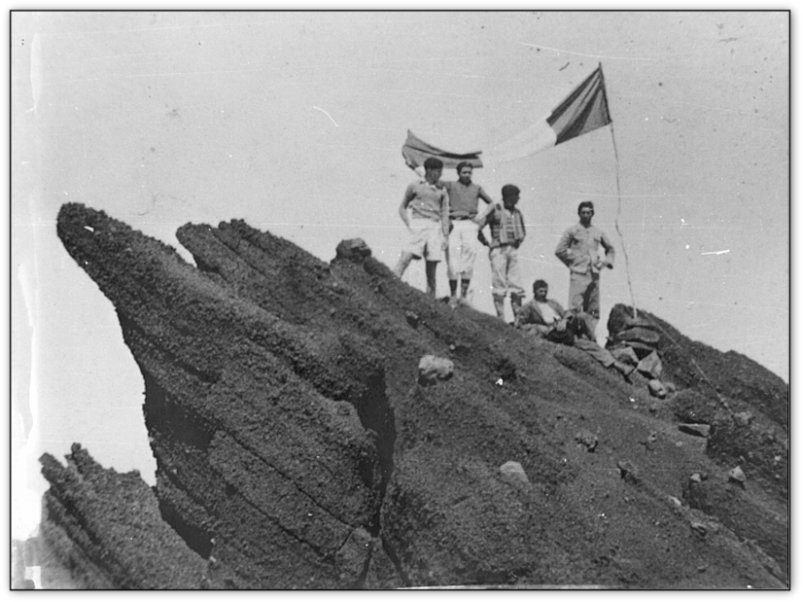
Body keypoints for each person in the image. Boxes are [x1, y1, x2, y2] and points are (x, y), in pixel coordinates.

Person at [517, 279, 633, 378]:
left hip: (564, 326)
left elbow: (566, 313)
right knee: (584, 344)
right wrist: (541, 328)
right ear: (535, 291)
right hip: (553, 332)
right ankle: (618, 365)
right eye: (541, 291)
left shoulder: (553, 303)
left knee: (582, 317)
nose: (544, 293)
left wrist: (564, 320)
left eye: (545, 290)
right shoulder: (529, 307)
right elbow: (520, 325)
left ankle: (592, 338)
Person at [554, 200, 615, 338]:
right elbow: (560, 250)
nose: (586, 215)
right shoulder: (572, 231)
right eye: (583, 212)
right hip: (579, 274)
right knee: (575, 307)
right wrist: (572, 263)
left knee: (593, 309)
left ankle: (589, 335)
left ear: (592, 214)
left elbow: (610, 249)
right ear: (579, 214)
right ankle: (573, 335)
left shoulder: (598, 232)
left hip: (594, 274)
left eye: (589, 212)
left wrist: (606, 262)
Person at [394, 157, 450, 298]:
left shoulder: (442, 190)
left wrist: (445, 236)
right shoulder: (415, 185)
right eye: (438, 171)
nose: (440, 174)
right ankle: (392, 284)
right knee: (406, 257)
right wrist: (410, 224)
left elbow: (444, 214)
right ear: (429, 170)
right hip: (418, 223)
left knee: (432, 266)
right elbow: (402, 208)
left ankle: (431, 300)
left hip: (435, 226)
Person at [442, 162, 495, 308]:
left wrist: (481, 217)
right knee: (452, 260)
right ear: (458, 173)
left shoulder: (476, 188)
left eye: (469, 172)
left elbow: (491, 203)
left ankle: (463, 296)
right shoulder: (451, 185)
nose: (467, 175)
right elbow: (435, 182)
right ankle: (453, 295)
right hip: (454, 223)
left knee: (469, 259)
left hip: (470, 225)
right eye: (464, 172)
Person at [477, 184, 526, 321]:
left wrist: (517, 243)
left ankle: (518, 319)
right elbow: (478, 226)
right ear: (509, 196)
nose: (518, 199)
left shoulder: (517, 213)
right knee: (499, 284)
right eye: (516, 196)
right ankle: (501, 319)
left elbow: (522, 232)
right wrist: (487, 243)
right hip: (499, 249)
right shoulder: (496, 209)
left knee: (516, 285)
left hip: (512, 249)